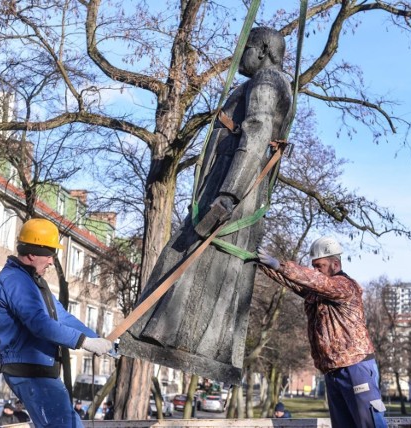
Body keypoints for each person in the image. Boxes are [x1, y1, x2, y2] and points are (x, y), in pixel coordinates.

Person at [119, 26, 293, 384]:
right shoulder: (272, 83)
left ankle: (164, 338)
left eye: (245, 47)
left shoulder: (266, 82)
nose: (240, 55)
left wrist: (228, 195)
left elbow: (257, 132)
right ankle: (172, 339)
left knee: (189, 256)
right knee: (208, 265)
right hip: (233, 189)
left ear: (261, 50)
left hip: (231, 191)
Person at [0, 218, 113, 427]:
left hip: (41, 371)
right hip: (29, 371)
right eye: (49, 255)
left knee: (71, 424)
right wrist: (84, 342)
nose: (51, 261)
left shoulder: (34, 282)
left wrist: (98, 340)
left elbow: (61, 317)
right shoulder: (15, 281)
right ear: (31, 253)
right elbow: (39, 324)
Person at [258, 236, 388, 428]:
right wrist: (262, 264)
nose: (316, 271)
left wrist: (280, 265)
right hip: (332, 371)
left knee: (369, 424)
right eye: (314, 266)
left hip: (356, 367)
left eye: (320, 266)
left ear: (335, 264)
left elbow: (317, 281)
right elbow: (294, 281)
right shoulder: (317, 290)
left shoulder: (345, 286)